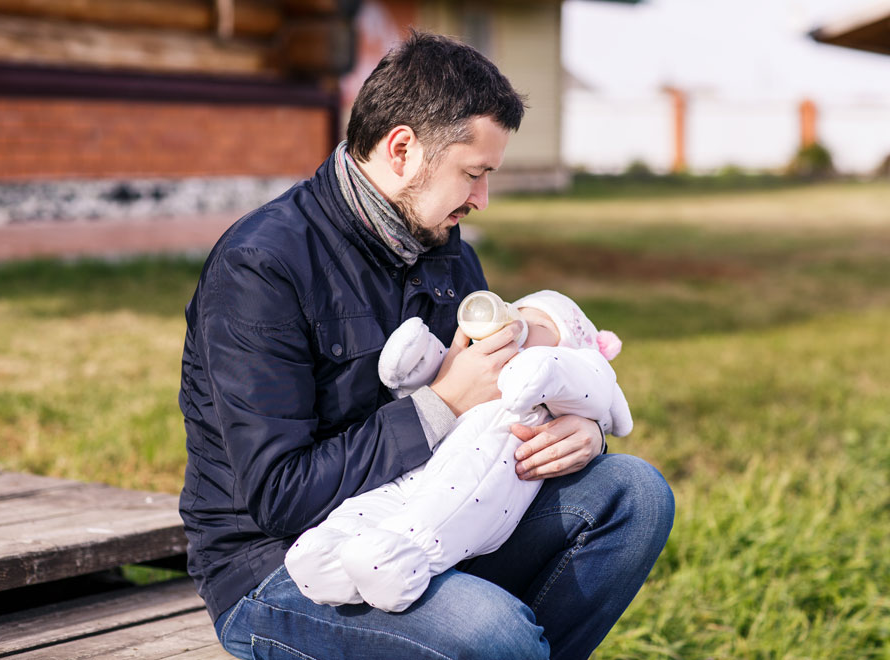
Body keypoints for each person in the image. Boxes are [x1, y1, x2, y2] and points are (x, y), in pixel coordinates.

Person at [178, 30, 674, 660]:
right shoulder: (261, 267)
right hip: (281, 569)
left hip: (426, 523)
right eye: (473, 174)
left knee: (633, 495)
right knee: (495, 635)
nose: (482, 200)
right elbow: (280, 496)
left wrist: (572, 432)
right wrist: (440, 404)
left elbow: (497, 406)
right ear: (403, 148)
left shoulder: (443, 248)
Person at [284, 290, 635, 613]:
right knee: (378, 505)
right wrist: (418, 358)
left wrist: (590, 428)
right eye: (518, 310)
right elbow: (442, 372)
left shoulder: (559, 364)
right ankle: (328, 554)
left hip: (480, 476)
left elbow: (584, 384)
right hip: (409, 469)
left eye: (539, 323)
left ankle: (406, 563)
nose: (518, 323)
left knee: (446, 513)